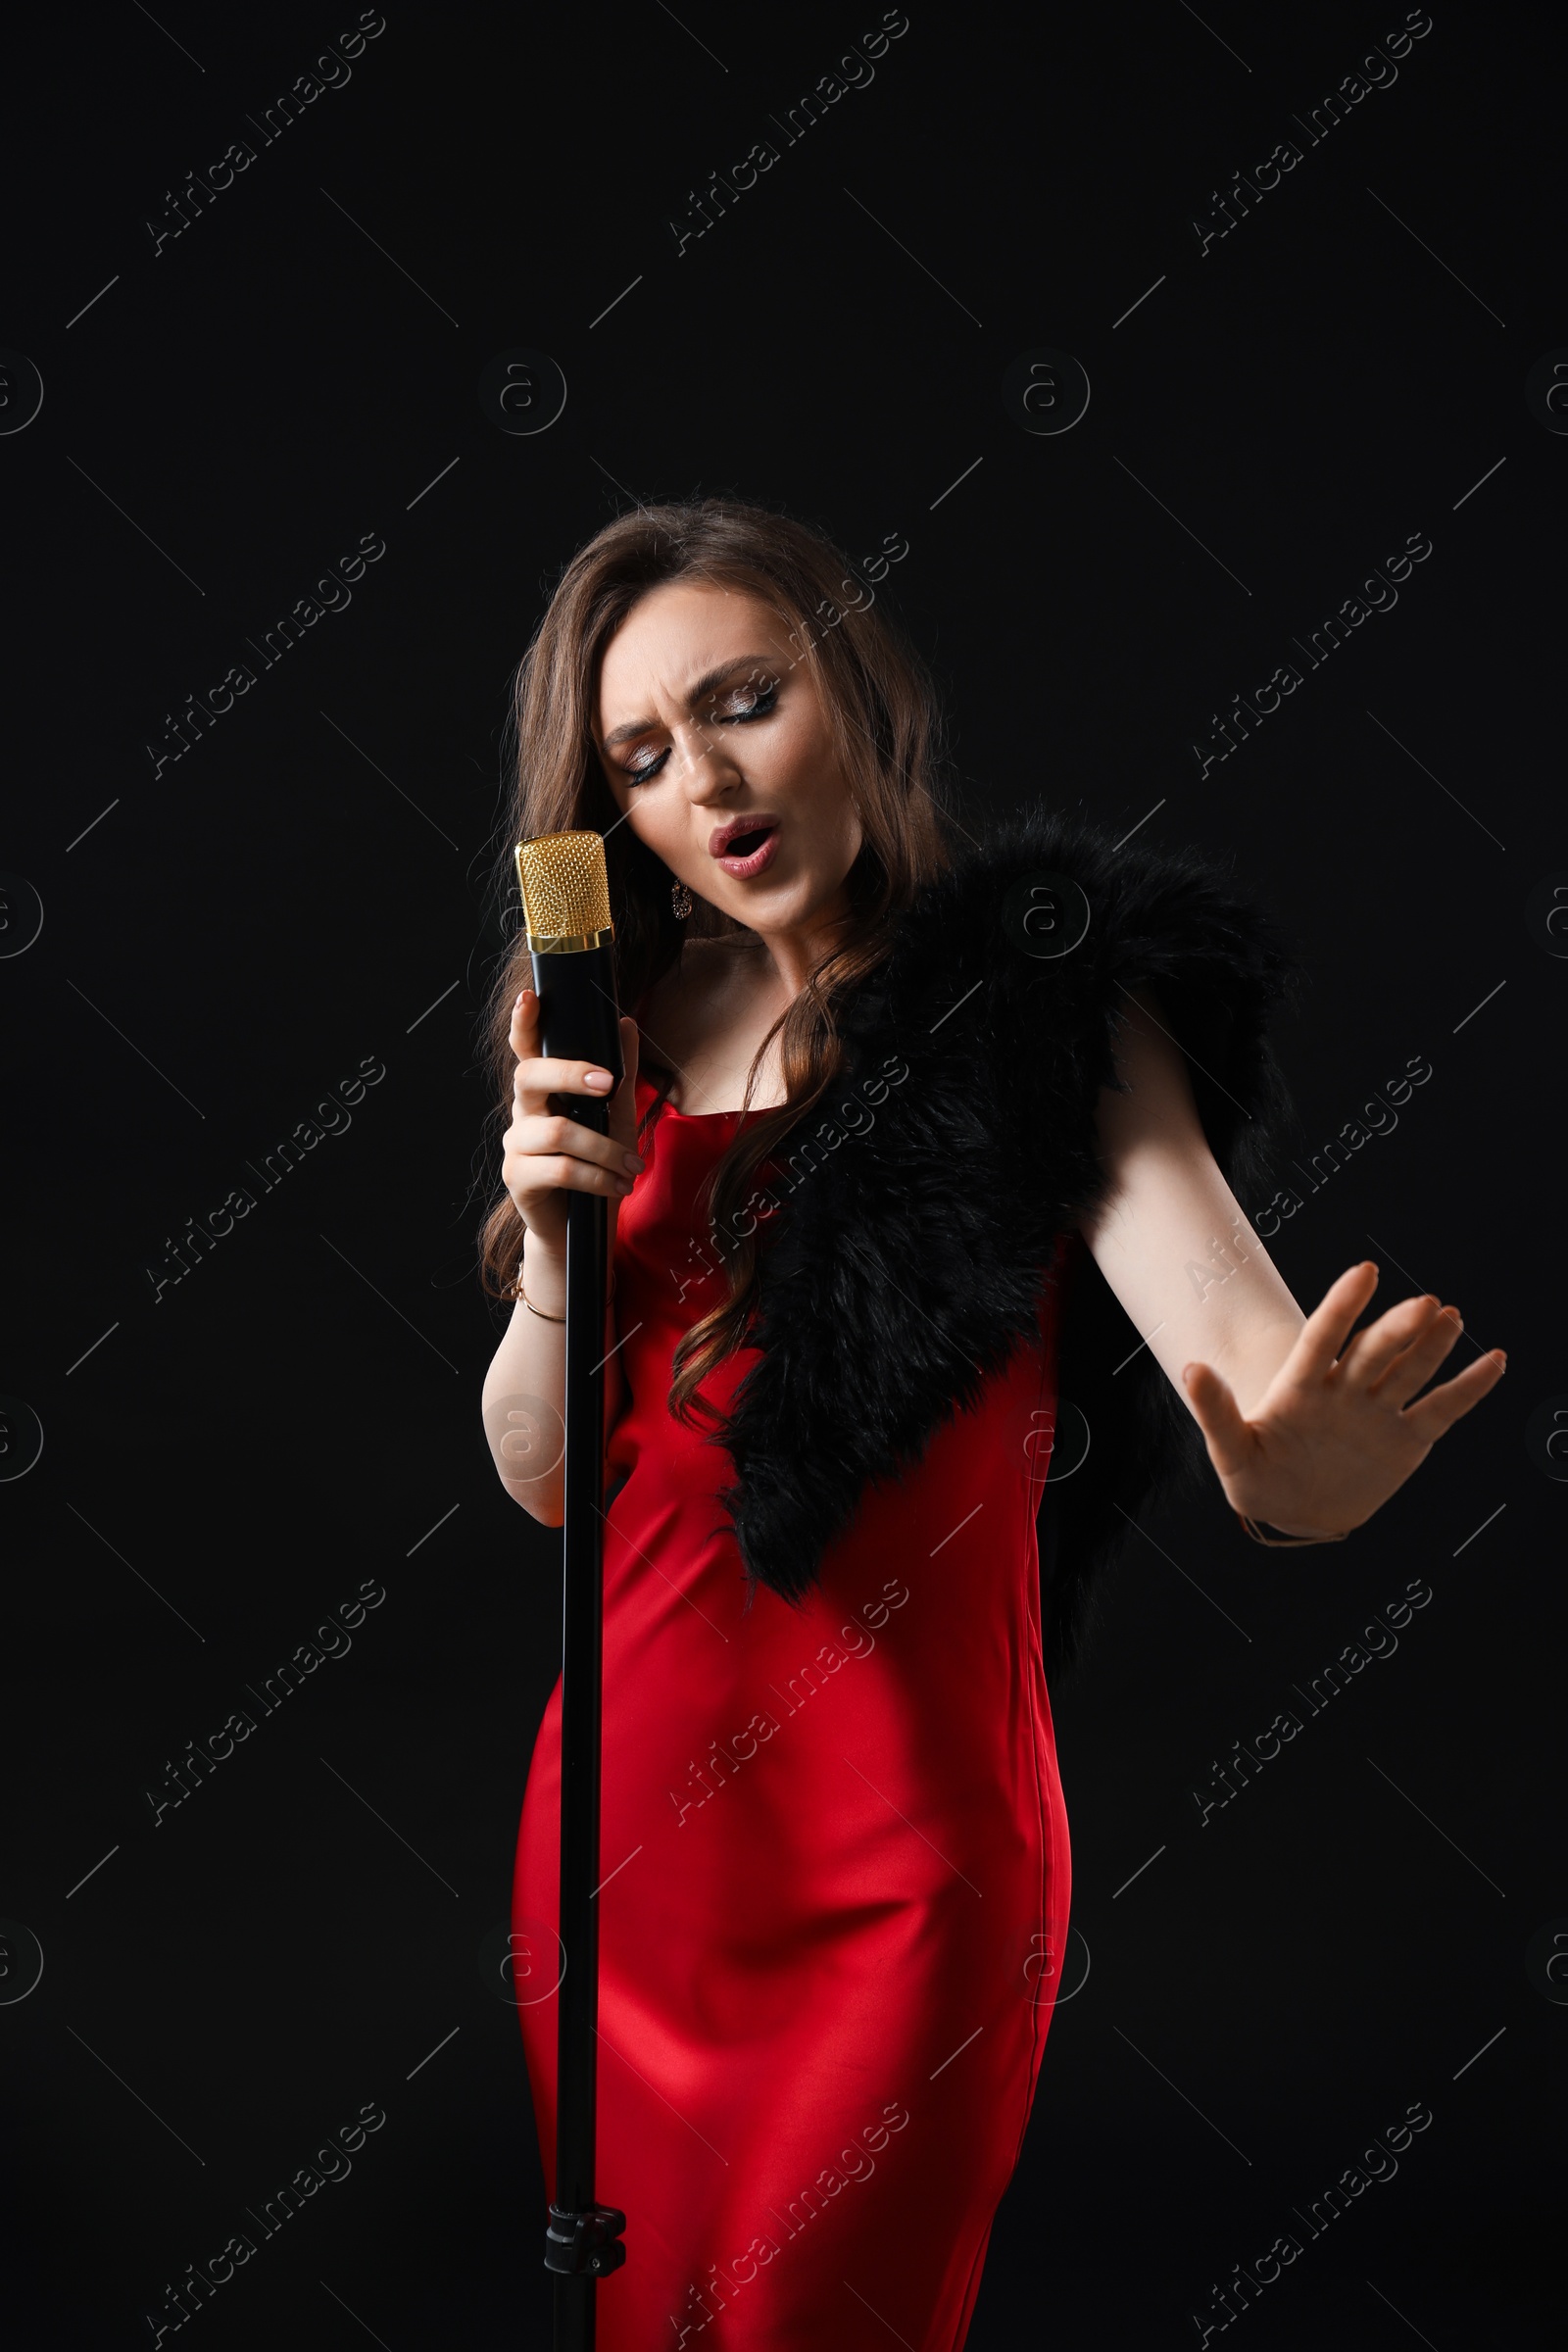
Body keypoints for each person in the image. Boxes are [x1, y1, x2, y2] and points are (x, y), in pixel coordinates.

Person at [477, 499, 1502, 2349]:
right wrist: (560, 1249)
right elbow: (554, 1478)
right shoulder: (615, 1026)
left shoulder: (1040, 1016)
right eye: (641, 756)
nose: (706, 780)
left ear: (851, 684)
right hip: (619, 1852)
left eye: (743, 700)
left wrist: (1299, 1474)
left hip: (901, 1864)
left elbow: (1246, 1362)